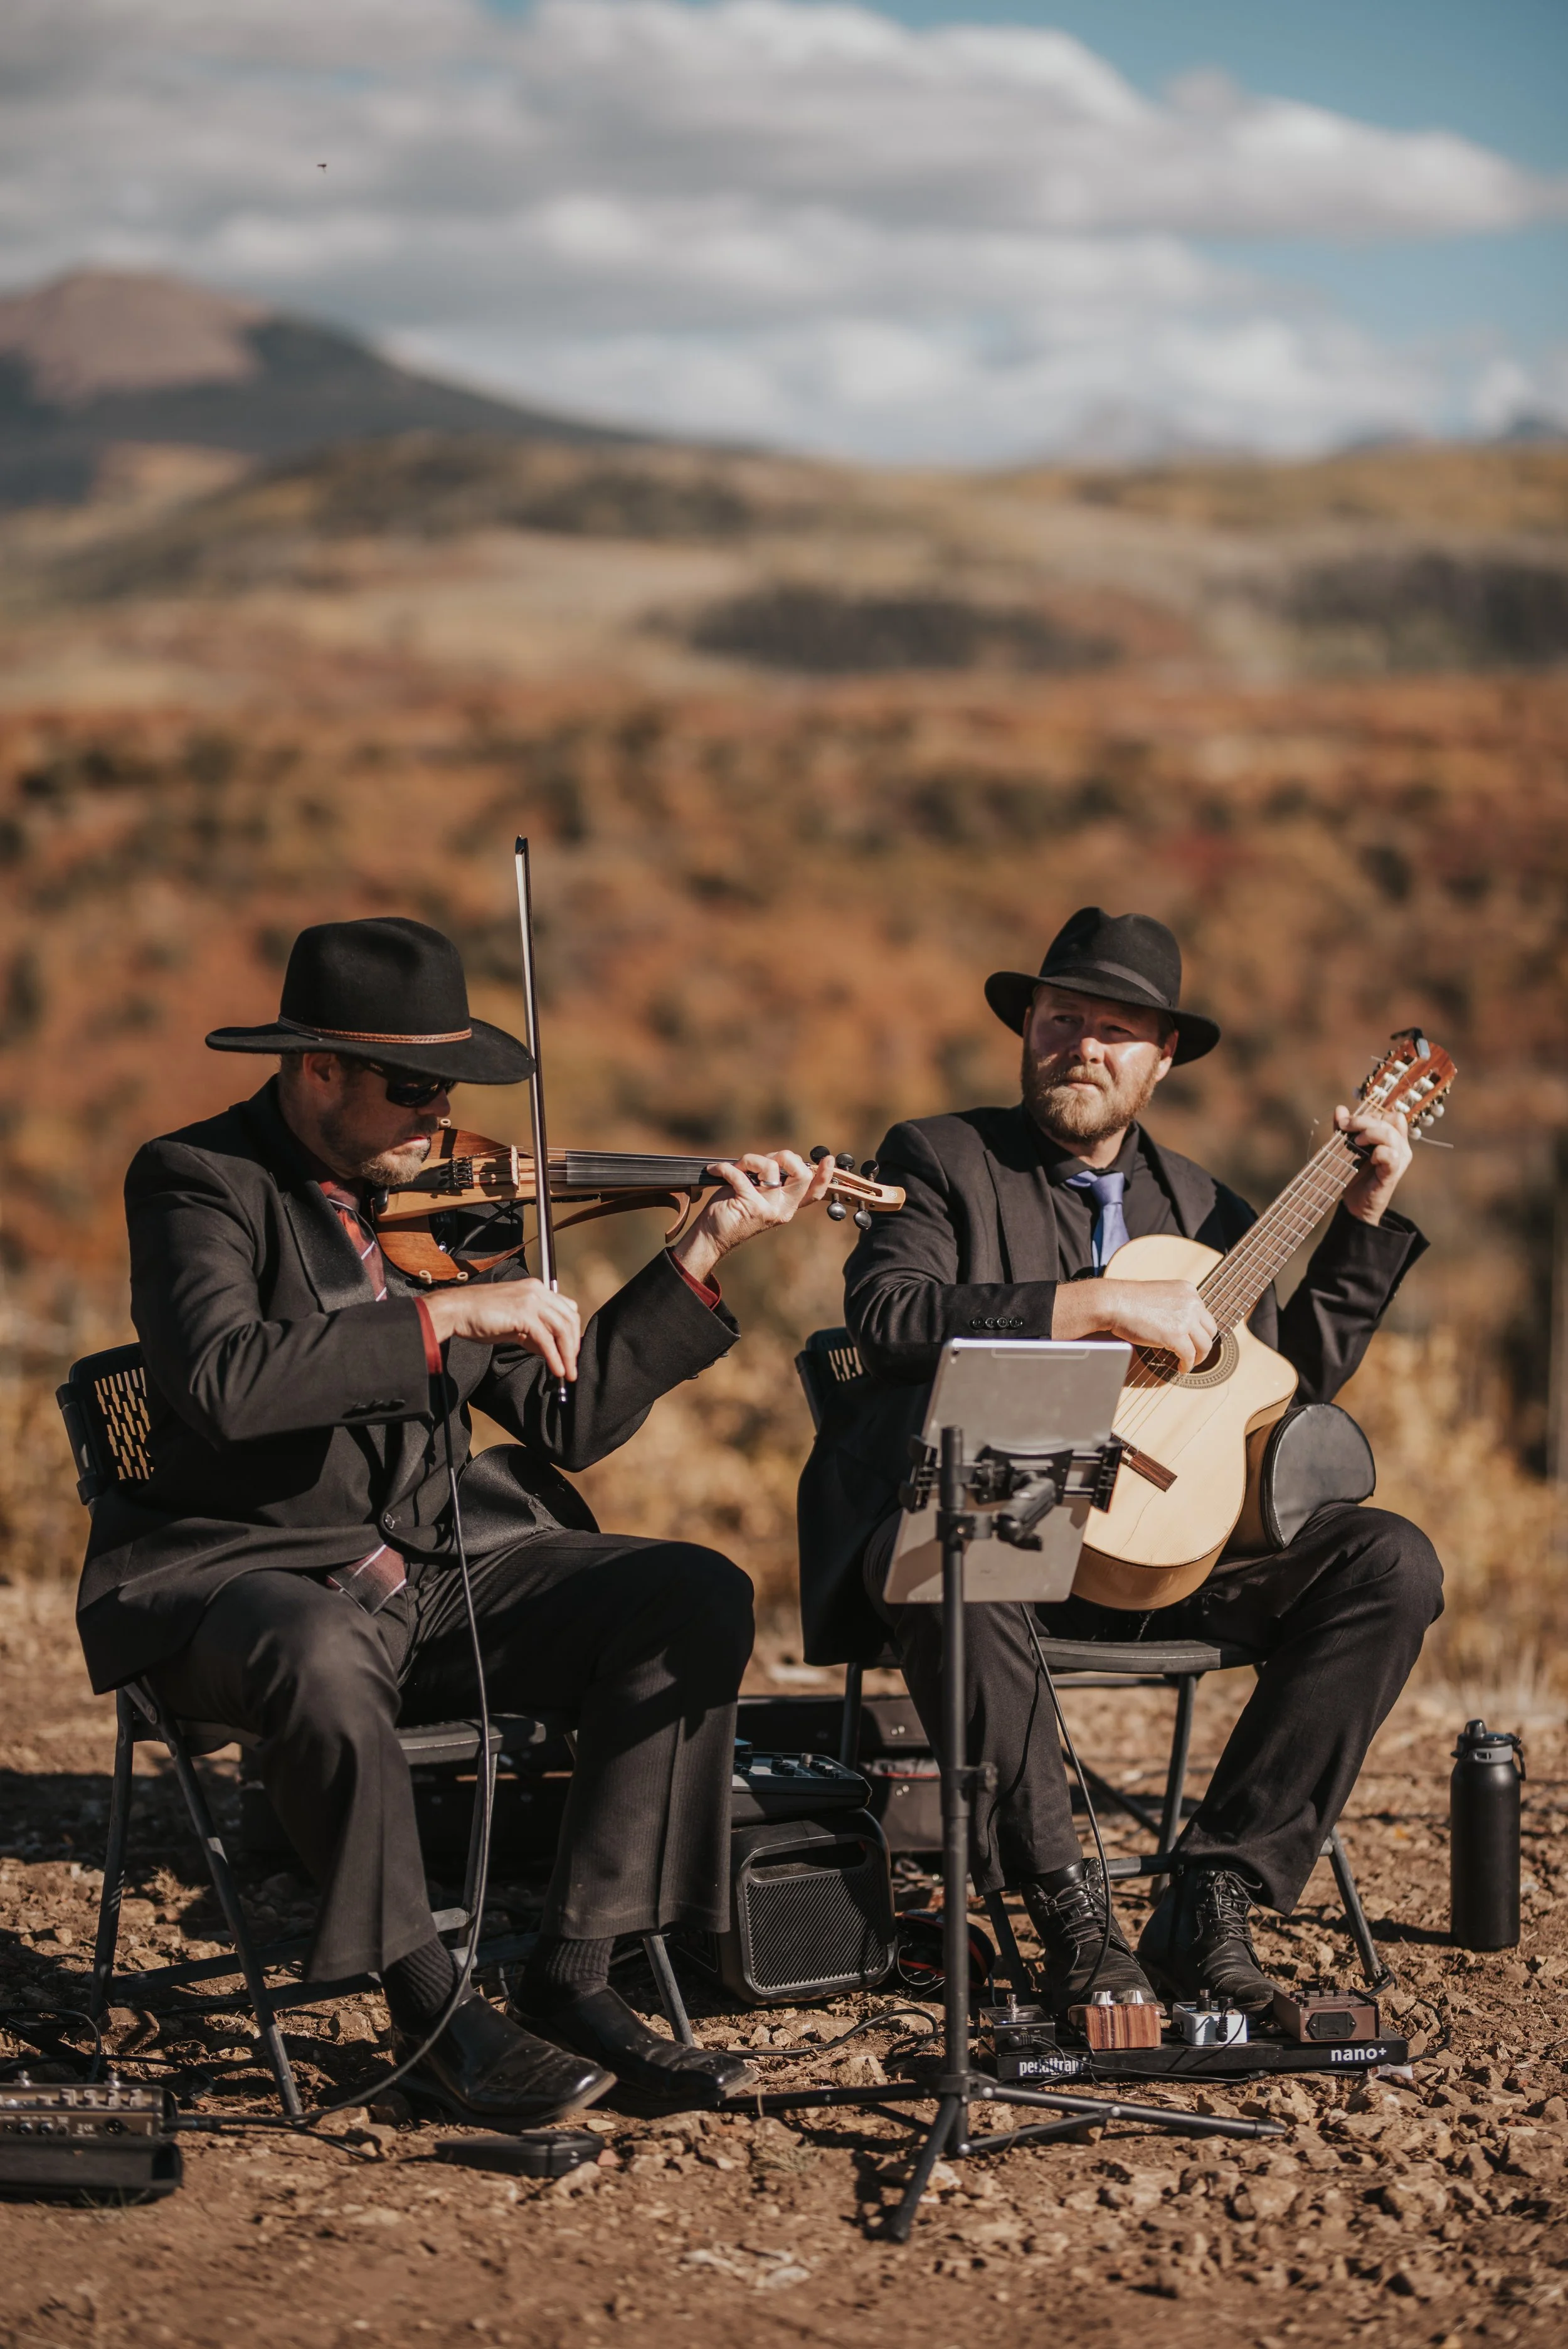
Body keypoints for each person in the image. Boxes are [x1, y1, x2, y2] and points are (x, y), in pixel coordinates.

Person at [77, 915, 834, 2126]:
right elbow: (220, 1380)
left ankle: (576, 1974)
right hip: (242, 1581)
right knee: (318, 1651)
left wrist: (702, 1249)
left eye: (453, 1091)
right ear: (316, 1068)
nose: (439, 1121)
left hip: (430, 1574)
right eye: (414, 1089)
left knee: (691, 1596)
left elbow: (569, 1421)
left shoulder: (445, 1199)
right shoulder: (197, 1182)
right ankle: (431, 2009)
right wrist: (438, 1321)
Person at [800, 906, 1442, 2018]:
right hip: (978, 1551)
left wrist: (1366, 1211)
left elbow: (1287, 1389)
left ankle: (1218, 1892)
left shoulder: (1206, 1209)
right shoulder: (943, 1158)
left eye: (1114, 1031)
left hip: (1158, 1558)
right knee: (977, 1519)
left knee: (1390, 1562)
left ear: (1165, 1056)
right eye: (1061, 1019)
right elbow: (892, 1319)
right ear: (1029, 1029)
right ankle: (1071, 1911)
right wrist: (1092, 1303)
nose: (1081, 1047)